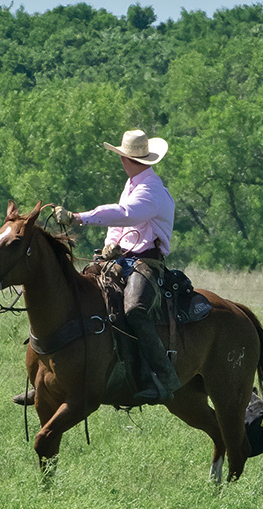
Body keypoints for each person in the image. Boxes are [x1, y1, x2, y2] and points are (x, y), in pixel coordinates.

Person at [55, 129, 181, 404]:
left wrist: (77, 217)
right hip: (121, 259)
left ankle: (163, 375)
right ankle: (58, 377)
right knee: (81, 294)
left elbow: (125, 214)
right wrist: (111, 246)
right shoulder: (134, 183)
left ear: (125, 159)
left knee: (135, 310)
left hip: (146, 263)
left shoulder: (150, 190)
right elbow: (119, 223)